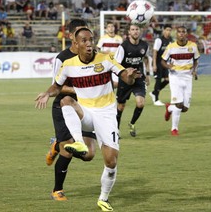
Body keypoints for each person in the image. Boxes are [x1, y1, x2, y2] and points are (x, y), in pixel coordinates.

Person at [35, 27, 140, 211]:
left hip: (106, 115)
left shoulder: (106, 59)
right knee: (66, 101)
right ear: (75, 44)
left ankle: (103, 199)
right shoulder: (68, 64)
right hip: (86, 113)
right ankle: (78, 142)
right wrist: (47, 93)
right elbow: (57, 86)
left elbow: (125, 76)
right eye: (84, 40)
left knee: (111, 161)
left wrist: (130, 77)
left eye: (91, 39)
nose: (89, 43)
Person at [34, 19, 97, 202]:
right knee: (67, 151)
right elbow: (57, 86)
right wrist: (81, 89)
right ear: (72, 37)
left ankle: (56, 145)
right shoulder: (62, 58)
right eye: (80, 36)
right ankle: (57, 190)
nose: (85, 41)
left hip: (85, 107)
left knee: (89, 155)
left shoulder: (93, 55)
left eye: (87, 37)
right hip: (64, 106)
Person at [161, 25, 200, 136]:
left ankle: (169, 108)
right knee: (179, 104)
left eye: (183, 32)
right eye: (179, 32)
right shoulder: (171, 47)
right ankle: (174, 129)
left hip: (187, 77)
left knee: (185, 108)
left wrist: (195, 70)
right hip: (175, 76)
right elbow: (163, 61)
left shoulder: (193, 46)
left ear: (186, 34)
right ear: (176, 34)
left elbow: (196, 60)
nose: (181, 34)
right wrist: (169, 67)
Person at [114, 24, 150, 137]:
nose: (135, 32)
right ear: (129, 32)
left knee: (140, 103)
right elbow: (116, 64)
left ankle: (132, 123)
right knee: (120, 106)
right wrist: (126, 72)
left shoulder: (144, 45)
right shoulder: (123, 47)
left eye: (137, 29)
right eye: (133, 30)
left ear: (140, 31)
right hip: (125, 79)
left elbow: (146, 59)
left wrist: (148, 74)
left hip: (138, 77)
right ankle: (116, 129)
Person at [150, 24, 173, 106]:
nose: (168, 32)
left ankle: (154, 92)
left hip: (164, 63)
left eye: (170, 30)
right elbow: (155, 52)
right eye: (167, 30)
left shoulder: (170, 40)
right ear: (163, 30)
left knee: (167, 80)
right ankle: (156, 99)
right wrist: (154, 65)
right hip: (158, 62)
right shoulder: (159, 40)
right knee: (158, 80)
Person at [97, 21, 123, 87]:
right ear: (106, 29)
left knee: (116, 83)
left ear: (114, 28)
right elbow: (97, 50)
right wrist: (103, 52)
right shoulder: (103, 38)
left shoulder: (119, 39)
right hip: (105, 62)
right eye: (109, 27)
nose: (111, 28)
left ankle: (114, 95)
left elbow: (122, 50)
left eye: (112, 26)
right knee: (104, 83)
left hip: (116, 62)